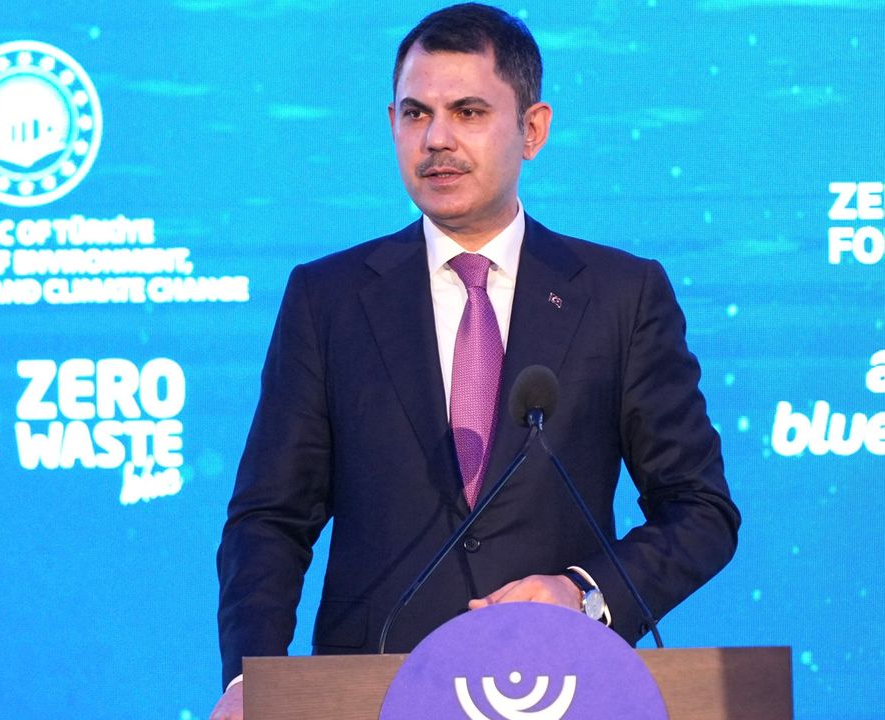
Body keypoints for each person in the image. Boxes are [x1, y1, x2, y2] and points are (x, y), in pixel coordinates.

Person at [209, 4, 740, 718]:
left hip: (561, 689)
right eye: (415, 114)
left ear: (533, 130)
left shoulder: (620, 296)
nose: (436, 139)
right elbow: (269, 519)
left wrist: (584, 595)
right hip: (375, 693)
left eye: (467, 112)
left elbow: (699, 510)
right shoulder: (327, 299)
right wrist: (252, 682)